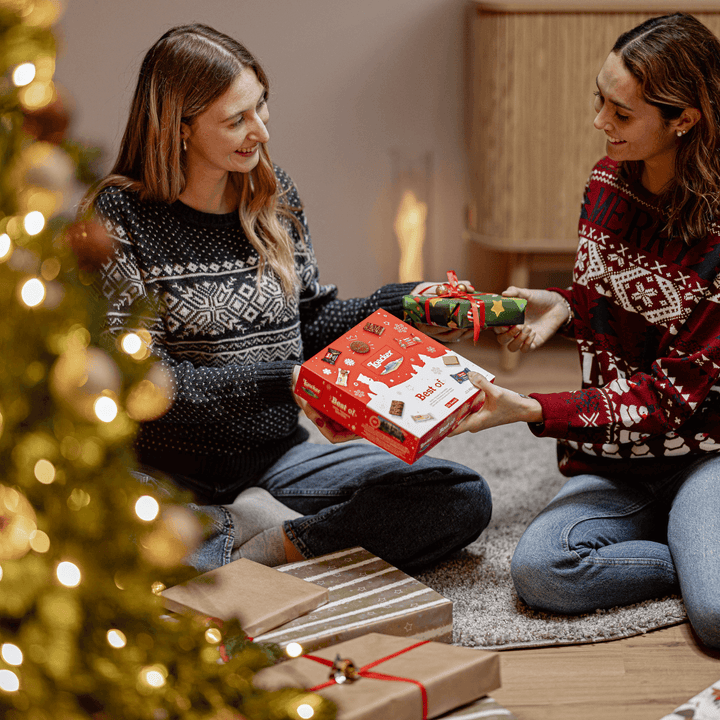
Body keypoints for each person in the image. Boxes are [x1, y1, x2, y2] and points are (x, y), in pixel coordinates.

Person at [81, 23, 492, 575]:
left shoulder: (271, 196)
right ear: (179, 128)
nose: (261, 132)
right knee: (88, 524)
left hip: (277, 457)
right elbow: (140, 381)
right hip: (164, 467)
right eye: (236, 120)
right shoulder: (119, 218)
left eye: (261, 107)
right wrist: (287, 379)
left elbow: (310, 319)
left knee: (460, 494)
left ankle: (271, 544)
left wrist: (412, 305)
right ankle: (231, 527)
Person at [453, 12, 720, 649]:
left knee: (714, 617)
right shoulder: (606, 184)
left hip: (705, 454)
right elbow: (627, 301)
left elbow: (669, 398)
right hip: (615, 459)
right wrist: (567, 304)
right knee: (545, 573)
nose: (600, 123)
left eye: (621, 114)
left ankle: (700, 546)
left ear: (683, 118)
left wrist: (530, 408)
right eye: (599, 99)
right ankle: (691, 549)